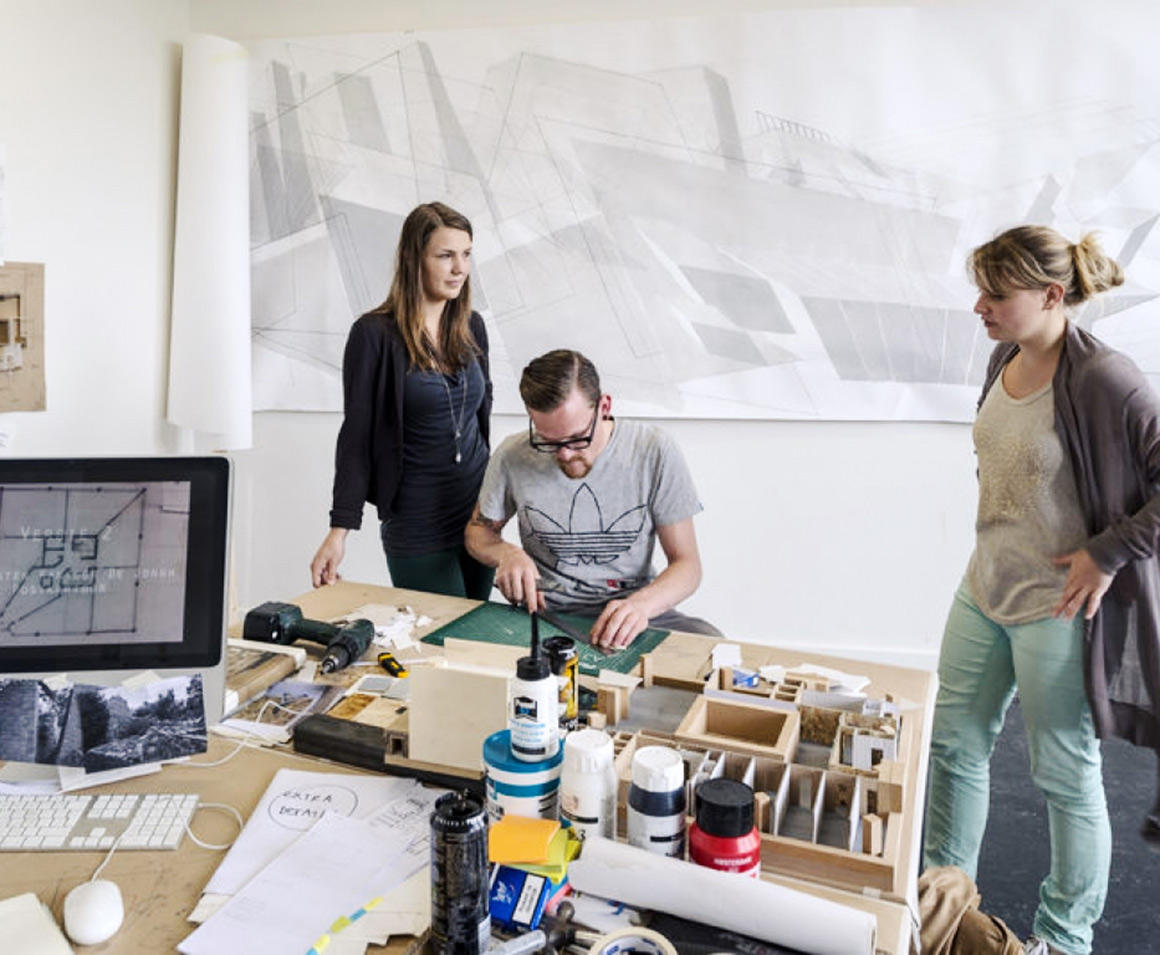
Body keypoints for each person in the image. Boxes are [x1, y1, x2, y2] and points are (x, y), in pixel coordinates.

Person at [922, 225, 1160, 955]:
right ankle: (943, 904)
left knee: (1063, 774)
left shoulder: (1105, 379)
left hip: (1055, 608)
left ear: (1052, 295)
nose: (979, 307)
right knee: (953, 746)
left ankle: (1064, 938)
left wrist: (1107, 552)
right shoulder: (1005, 356)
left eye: (995, 294)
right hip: (984, 586)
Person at [465, 349, 718, 649]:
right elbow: (478, 532)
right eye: (548, 441)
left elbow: (687, 566)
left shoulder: (654, 450)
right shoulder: (512, 454)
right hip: (547, 612)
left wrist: (641, 607)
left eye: (576, 438)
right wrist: (506, 553)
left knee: (712, 646)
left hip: (632, 610)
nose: (564, 454)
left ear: (604, 407)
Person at [310, 201, 495, 600]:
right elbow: (357, 437)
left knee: (478, 625)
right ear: (413, 258)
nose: (459, 268)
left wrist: (496, 501)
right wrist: (339, 531)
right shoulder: (373, 335)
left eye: (466, 254)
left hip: (477, 513)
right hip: (417, 520)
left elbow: (482, 418)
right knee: (442, 630)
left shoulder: (472, 327)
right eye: (445, 256)